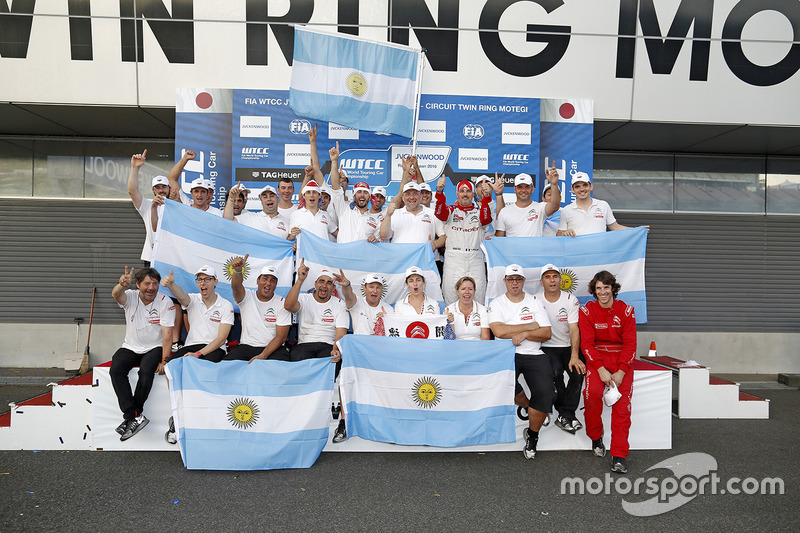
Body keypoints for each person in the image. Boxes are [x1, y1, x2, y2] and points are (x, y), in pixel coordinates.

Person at [488, 264, 553, 460]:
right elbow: (499, 331)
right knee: (506, 386)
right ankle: (527, 406)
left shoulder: (533, 301)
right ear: (505, 281)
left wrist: (524, 333)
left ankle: (532, 436)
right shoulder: (497, 303)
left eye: (518, 279)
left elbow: (546, 333)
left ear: (524, 281)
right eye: (510, 279)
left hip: (534, 354)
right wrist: (531, 326)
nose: (514, 283)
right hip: (506, 353)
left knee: (545, 392)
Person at [579, 270, 637, 474]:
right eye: (598, 288)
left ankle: (619, 455)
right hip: (597, 361)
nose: (602, 292)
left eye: (606, 287)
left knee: (622, 408)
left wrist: (621, 371)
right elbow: (586, 343)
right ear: (594, 291)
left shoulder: (627, 311)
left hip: (622, 361)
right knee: (592, 395)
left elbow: (630, 345)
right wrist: (601, 368)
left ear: (613, 288)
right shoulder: (587, 311)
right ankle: (596, 437)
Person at [109, 266, 174, 441]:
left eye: (155, 283)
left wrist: (165, 360)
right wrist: (121, 285)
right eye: (147, 283)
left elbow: (168, 335)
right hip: (130, 346)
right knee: (116, 369)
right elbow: (116, 294)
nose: (151, 287)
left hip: (155, 347)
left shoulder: (165, 301)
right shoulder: (129, 296)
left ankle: (132, 417)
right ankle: (133, 414)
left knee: (146, 371)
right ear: (138, 284)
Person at [535, 264, 585, 434]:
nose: (552, 280)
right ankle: (565, 415)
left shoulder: (570, 299)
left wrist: (574, 356)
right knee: (556, 373)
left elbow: (574, 329)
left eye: (555, 276)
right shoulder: (534, 300)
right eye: (547, 277)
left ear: (561, 280)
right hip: (547, 347)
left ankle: (565, 414)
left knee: (578, 373)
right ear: (541, 282)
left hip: (568, 347)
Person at [434, 177, 492, 304]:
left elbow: (486, 220)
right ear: (457, 194)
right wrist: (439, 191)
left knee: (479, 299)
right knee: (450, 299)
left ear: (473, 194)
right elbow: (440, 214)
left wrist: (487, 198)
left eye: (468, 191)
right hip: (454, 259)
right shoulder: (450, 210)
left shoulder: (480, 211)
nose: (465, 194)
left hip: (475, 258)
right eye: (462, 191)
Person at [223, 256, 291, 363]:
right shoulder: (246, 296)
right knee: (227, 366)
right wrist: (237, 271)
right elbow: (236, 287)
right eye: (265, 279)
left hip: (273, 349)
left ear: (276, 285)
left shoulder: (282, 303)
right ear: (257, 281)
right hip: (247, 347)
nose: (268, 283)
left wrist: (263, 355)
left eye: (272, 280)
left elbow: (281, 337)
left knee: (282, 368)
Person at [160, 266, 234, 363]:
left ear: (215, 282)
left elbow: (221, 339)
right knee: (172, 365)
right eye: (199, 280)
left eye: (207, 279)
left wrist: (198, 354)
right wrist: (171, 285)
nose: (202, 283)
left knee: (203, 367)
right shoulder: (193, 299)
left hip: (215, 348)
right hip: (191, 346)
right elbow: (181, 295)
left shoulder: (226, 305)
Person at [284, 259, 349, 362]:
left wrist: (336, 350)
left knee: (333, 361)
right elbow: (288, 306)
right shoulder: (304, 298)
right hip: (304, 345)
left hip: (328, 346)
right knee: (298, 359)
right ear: (315, 284)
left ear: (333, 288)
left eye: (329, 283)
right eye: (321, 281)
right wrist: (300, 280)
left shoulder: (340, 304)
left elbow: (341, 334)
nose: (324, 286)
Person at [328, 143, 382, 243]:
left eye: (365, 193)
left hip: (362, 258)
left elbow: (379, 245)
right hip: (343, 258)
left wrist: (376, 240)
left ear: (369, 197)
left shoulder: (376, 221)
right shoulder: (344, 211)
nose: (362, 195)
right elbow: (335, 188)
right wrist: (334, 161)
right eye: (359, 192)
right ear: (354, 196)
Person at [557, 172, 636, 236]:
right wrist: (564, 233)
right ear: (572, 190)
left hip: (599, 254)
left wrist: (636, 230)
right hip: (576, 254)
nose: (582, 189)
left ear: (591, 186)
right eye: (577, 187)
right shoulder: (566, 210)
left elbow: (615, 227)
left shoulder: (603, 205)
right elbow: (559, 234)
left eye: (585, 185)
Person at [126, 149, 169, 263]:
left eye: (164, 187)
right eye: (157, 188)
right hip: (151, 257)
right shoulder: (147, 205)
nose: (161, 190)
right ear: (153, 190)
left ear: (169, 188)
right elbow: (132, 191)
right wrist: (135, 168)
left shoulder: (177, 206)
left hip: (171, 258)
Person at [494, 164, 560, 237]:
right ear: (515, 189)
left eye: (527, 187)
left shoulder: (541, 207)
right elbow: (499, 237)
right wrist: (491, 240)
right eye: (520, 187)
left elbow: (555, 206)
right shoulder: (504, 211)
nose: (523, 190)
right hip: (512, 249)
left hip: (534, 249)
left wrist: (554, 184)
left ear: (532, 189)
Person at [224, 184, 291, 240]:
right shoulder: (249, 217)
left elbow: (291, 244)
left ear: (277, 199)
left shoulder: (287, 222)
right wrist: (230, 199)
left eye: (272, 196)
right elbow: (228, 220)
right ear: (261, 200)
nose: (269, 199)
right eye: (265, 197)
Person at [166, 150, 223, 216]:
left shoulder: (217, 213)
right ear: (191, 193)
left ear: (207, 194)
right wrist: (185, 159)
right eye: (196, 191)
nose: (199, 195)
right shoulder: (185, 204)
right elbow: (172, 179)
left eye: (203, 192)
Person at [473, 174, 506, 238]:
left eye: (488, 185)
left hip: (492, 242)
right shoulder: (470, 206)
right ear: (476, 190)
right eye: (480, 185)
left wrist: (498, 193)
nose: (484, 187)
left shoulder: (498, 204)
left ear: (492, 188)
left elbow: (501, 217)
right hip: (474, 243)